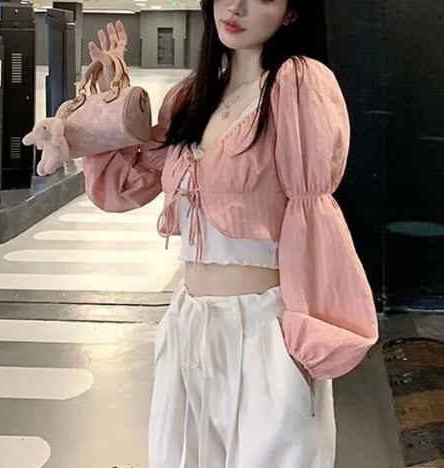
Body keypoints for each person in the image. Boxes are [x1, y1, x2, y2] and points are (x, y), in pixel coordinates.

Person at [82, 1, 379, 467]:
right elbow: (124, 188)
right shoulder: (190, 98)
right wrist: (109, 102)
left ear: (291, 13)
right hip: (188, 327)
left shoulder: (296, 84)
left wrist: (310, 329)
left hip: (264, 333)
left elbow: (314, 216)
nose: (236, 6)